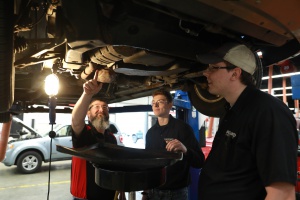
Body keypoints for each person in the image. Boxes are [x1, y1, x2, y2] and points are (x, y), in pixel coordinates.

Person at [196, 43, 298, 200]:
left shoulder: (268, 111)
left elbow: (282, 194)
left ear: (235, 74)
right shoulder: (232, 111)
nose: (205, 72)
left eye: (214, 67)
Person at [142, 89, 205, 200]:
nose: (155, 105)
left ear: (170, 105)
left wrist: (185, 150)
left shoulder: (183, 129)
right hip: (153, 191)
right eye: (153, 102)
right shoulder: (150, 133)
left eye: (160, 101)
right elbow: (148, 164)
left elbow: (200, 161)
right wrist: (145, 193)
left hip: (176, 193)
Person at [70, 70, 117, 200]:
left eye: (105, 107)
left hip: (109, 195)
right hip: (85, 196)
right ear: (88, 113)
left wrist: (120, 191)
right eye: (96, 107)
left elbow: (116, 166)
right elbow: (75, 120)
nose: (101, 110)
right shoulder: (84, 134)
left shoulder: (111, 138)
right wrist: (87, 94)